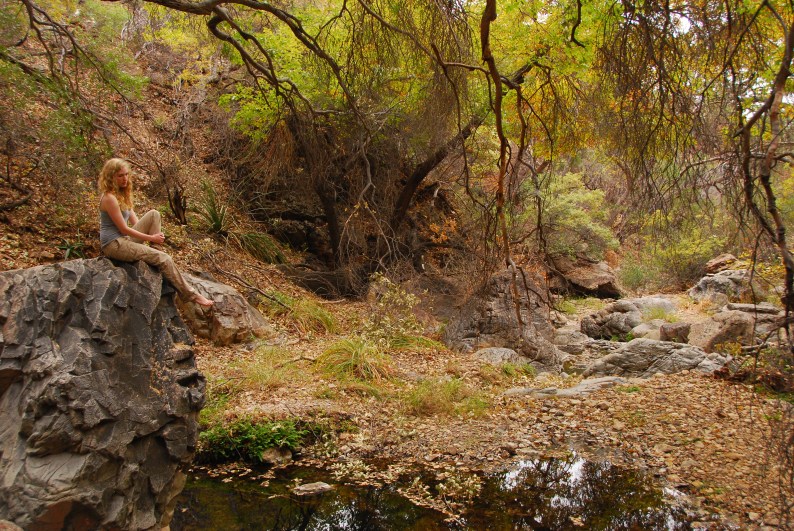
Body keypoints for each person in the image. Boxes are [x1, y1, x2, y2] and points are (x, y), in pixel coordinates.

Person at [98, 158, 214, 307]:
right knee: (164, 258)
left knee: (154, 214)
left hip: (125, 239)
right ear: (111, 177)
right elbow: (124, 229)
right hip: (113, 245)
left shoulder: (122, 194)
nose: (125, 179)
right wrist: (151, 237)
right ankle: (192, 296)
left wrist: (149, 240)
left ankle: (155, 256)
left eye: (126, 174)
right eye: (120, 176)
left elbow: (135, 223)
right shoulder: (109, 198)